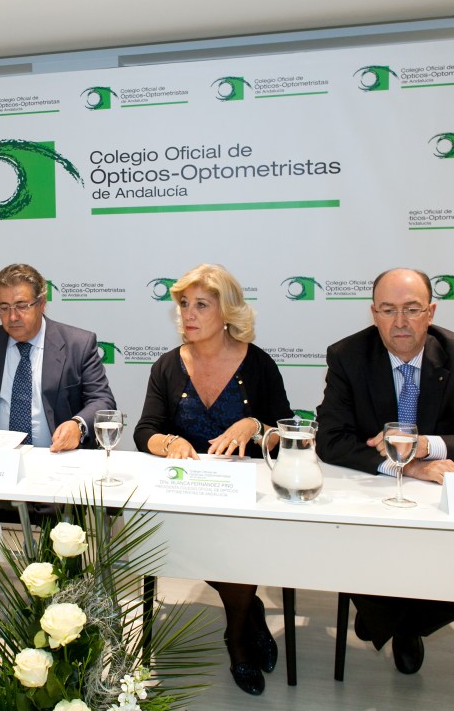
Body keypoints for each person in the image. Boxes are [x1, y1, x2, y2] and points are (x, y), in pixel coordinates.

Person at [316, 267, 454, 675]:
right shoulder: (348, 356)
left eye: (412, 309)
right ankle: (389, 614)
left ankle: (395, 621)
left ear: (431, 312)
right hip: (373, 501)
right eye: (388, 310)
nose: (400, 322)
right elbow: (331, 440)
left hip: (443, 510)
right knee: (344, 545)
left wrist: (427, 445)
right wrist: (405, 466)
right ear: (374, 314)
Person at [133, 263, 291, 697]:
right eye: (184, 304)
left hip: (243, 498)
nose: (189, 313)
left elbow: (286, 433)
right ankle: (246, 617)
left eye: (201, 305)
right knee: (217, 548)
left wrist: (254, 427)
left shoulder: (258, 364)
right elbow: (145, 431)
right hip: (185, 495)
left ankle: (235, 636)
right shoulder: (168, 366)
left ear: (227, 312)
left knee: (237, 543)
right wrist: (169, 443)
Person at [0, 263, 115, 655]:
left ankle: (58, 625)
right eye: (3, 308)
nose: (12, 317)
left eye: (21, 306)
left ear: (42, 302)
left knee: (62, 528)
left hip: (53, 462)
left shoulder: (77, 343)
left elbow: (102, 400)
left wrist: (77, 424)